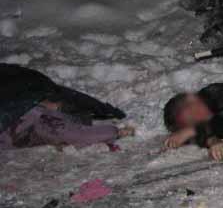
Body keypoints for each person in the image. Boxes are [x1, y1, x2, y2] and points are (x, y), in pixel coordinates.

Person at [0, 64, 132, 151]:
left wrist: (109, 112)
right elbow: (80, 135)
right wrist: (118, 131)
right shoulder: (41, 119)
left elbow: (75, 99)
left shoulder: (33, 90)